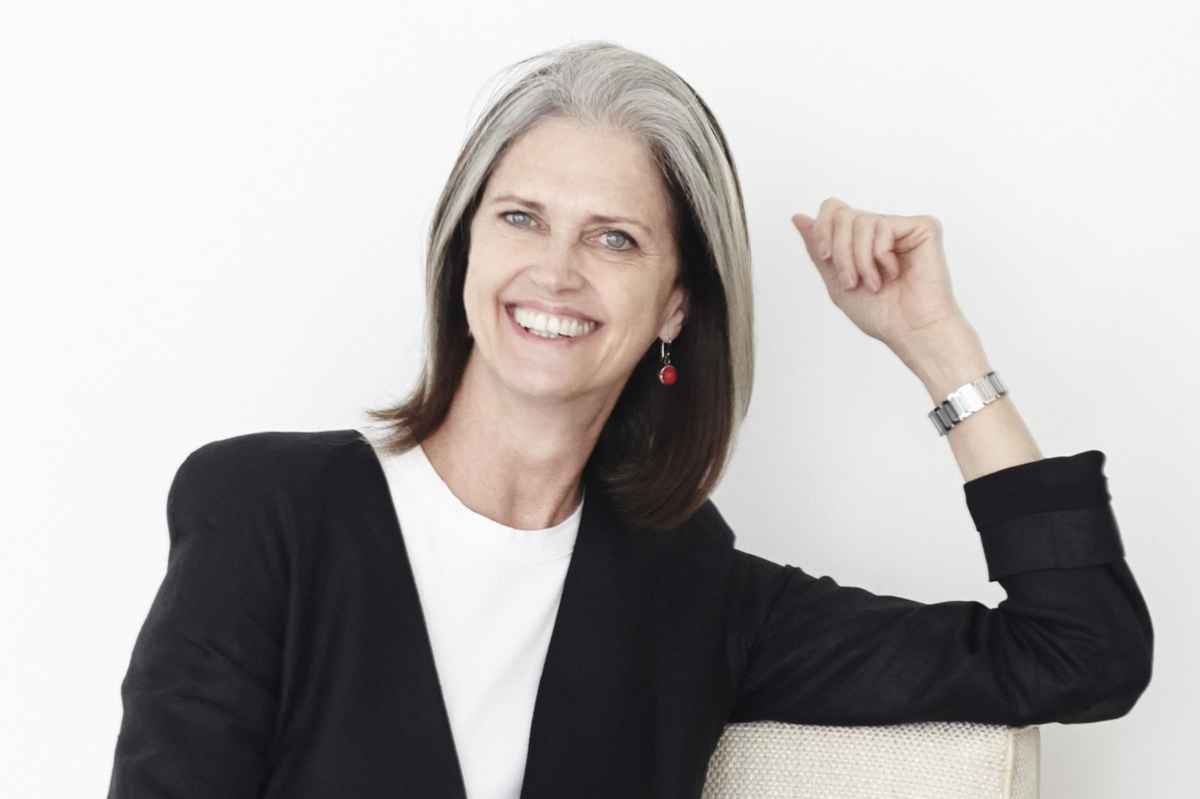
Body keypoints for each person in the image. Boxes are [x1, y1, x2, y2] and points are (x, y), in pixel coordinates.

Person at [108, 42, 1152, 799]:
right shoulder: (266, 510)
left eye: (614, 238)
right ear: (466, 252)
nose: (555, 271)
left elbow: (1080, 651)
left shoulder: (690, 587)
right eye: (521, 218)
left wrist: (937, 344)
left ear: (674, 306)